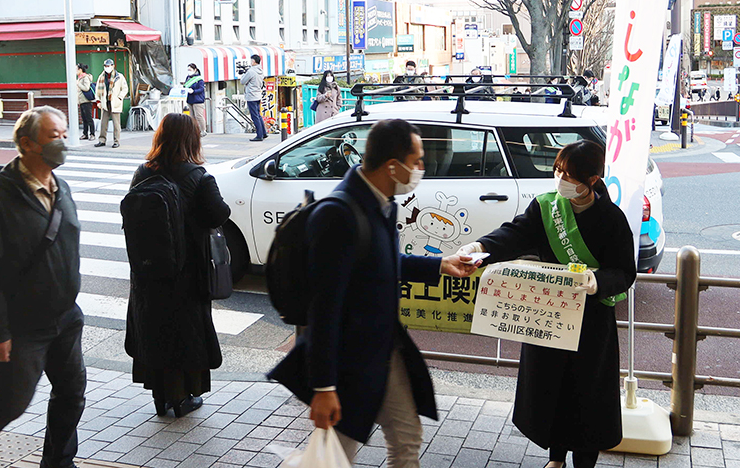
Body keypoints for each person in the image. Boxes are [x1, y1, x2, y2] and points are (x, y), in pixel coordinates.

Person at [270, 119, 478, 468]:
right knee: (335, 454)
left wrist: (441, 264)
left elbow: (381, 263)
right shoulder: (338, 214)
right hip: (348, 359)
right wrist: (323, 387)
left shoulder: (383, 202)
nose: (421, 169)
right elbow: (325, 307)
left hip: (382, 348)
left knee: (406, 436)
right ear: (393, 166)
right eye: (417, 161)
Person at [456, 141, 636, 468]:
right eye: (557, 170)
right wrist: (480, 246)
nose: (560, 179)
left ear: (593, 179)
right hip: (549, 315)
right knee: (552, 389)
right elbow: (514, 235)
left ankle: (584, 461)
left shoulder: (612, 219)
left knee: (587, 397)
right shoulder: (545, 207)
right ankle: (556, 457)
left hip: (591, 324)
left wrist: (596, 282)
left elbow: (625, 271)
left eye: (569, 175)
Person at [0, 107, 85, 468]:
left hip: (65, 318)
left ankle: (58, 461)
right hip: (23, 324)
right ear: (27, 144)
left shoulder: (60, 186)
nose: (63, 142)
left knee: (71, 394)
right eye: (53, 136)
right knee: (12, 403)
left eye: (64, 133)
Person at [125, 113, 231, 418]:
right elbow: (218, 214)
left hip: (147, 271)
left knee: (154, 331)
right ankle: (183, 399)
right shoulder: (198, 176)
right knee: (185, 334)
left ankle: (161, 397)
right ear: (192, 139)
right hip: (186, 273)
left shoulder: (143, 172)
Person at [94, 58, 129, 149]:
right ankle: (102, 140)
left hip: (115, 102)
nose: (107, 68)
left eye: (109, 66)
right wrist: (98, 100)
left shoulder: (119, 76)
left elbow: (125, 88)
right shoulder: (101, 77)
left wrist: (119, 97)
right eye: (106, 66)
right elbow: (98, 89)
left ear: (113, 66)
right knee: (103, 123)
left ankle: (116, 141)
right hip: (105, 102)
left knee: (116, 124)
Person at [239, 54, 267, 141]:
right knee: (258, 115)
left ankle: (259, 135)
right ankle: (264, 133)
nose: (251, 62)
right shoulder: (260, 71)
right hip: (258, 95)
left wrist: (243, 74)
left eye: (251, 60)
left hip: (251, 95)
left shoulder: (251, 71)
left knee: (254, 116)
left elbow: (242, 81)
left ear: (254, 61)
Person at [184, 63, 207, 136]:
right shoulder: (188, 78)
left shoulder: (199, 79)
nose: (189, 71)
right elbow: (185, 86)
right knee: (192, 117)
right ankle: (194, 131)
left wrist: (193, 91)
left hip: (198, 100)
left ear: (195, 70)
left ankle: (203, 130)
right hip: (190, 99)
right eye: (188, 70)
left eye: (190, 70)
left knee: (199, 115)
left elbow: (201, 89)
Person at [76, 64, 95, 141]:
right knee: (84, 118)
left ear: (80, 70)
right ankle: (85, 133)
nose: (75, 71)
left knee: (89, 118)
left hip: (86, 101)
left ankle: (92, 134)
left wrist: (78, 84)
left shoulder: (85, 78)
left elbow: (86, 88)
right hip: (81, 101)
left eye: (76, 70)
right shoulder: (79, 78)